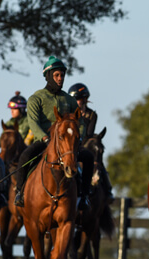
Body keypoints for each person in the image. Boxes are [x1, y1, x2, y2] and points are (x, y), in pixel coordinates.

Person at [14, 56, 94, 210]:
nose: (60, 79)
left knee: (88, 157)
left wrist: (79, 138)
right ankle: (20, 192)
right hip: (45, 141)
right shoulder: (36, 98)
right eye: (57, 75)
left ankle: (84, 196)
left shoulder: (69, 100)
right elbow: (33, 122)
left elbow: (81, 123)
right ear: (49, 76)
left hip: (66, 143)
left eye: (62, 75)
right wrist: (44, 137)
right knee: (25, 156)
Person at [68, 83, 114, 203]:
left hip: (84, 143)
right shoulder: (68, 114)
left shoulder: (92, 114)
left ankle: (107, 189)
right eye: (75, 99)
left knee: (97, 160)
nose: (77, 102)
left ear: (85, 99)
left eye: (79, 99)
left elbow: (89, 133)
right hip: (70, 143)